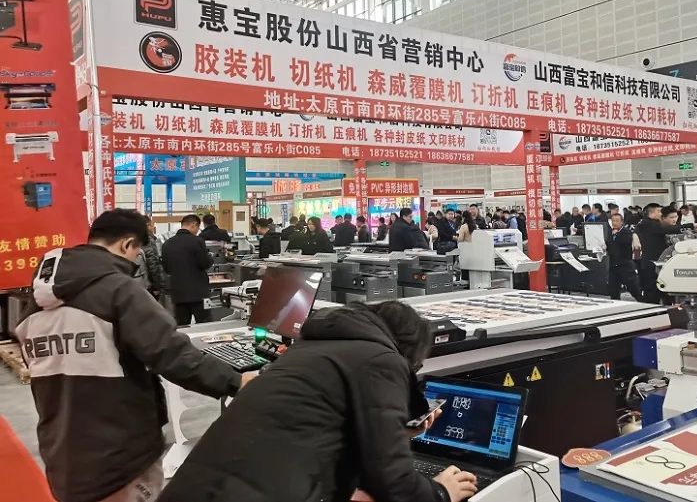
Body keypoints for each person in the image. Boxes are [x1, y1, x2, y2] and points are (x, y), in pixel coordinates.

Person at [16, 209, 254, 502]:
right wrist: (236, 382)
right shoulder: (119, 290)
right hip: (120, 456)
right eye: (136, 252)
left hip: (61, 452)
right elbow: (171, 353)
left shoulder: (36, 302)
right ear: (127, 244)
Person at [156, 300, 478, 502]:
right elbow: (391, 480)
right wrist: (441, 492)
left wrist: (393, 434)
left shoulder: (307, 351)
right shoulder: (382, 359)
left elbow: (315, 428)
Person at [162, 214, 213, 326]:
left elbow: (166, 268)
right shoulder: (197, 241)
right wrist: (210, 258)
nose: (197, 231)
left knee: (182, 325)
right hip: (198, 293)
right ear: (194, 225)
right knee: (205, 325)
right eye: (198, 228)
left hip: (178, 292)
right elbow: (204, 263)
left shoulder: (167, 244)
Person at [635, 203, 686, 304]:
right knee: (653, 294)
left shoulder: (654, 226)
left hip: (664, 265)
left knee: (665, 293)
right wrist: (691, 226)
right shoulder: (649, 225)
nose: (674, 219)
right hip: (652, 265)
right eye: (659, 211)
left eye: (675, 217)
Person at [606, 213, 643, 301]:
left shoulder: (626, 232)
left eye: (617, 221)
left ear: (621, 222)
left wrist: (616, 235)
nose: (615, 223)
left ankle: (642, 301)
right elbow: (609, 245)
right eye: (613, 221)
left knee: (633, 287)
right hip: (613, 264)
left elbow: (623, 243)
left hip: (625, 264)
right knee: (613, 288)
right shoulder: (610, 232)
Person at [135, 214, 164, 297]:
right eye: (151, 225)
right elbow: (153, 263)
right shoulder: (148, 240)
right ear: (148, 225)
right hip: (148, 284)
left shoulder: (134, 238)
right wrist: (156, 286)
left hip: (138, 281)